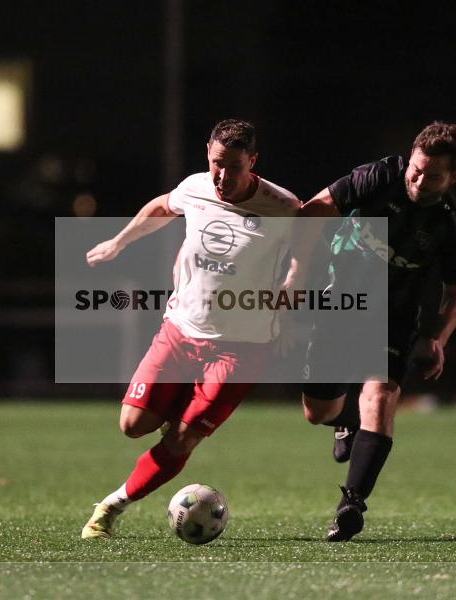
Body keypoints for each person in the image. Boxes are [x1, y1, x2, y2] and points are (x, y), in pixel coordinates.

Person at [80, 119, 299, 539]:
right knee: (131, 424)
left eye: (234, 166)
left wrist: (293, 284)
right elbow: (162, 207)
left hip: (240, 348)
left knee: (180, 441)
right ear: (207, 155)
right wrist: (119, 241)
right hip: (180, 331)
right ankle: (176, 418)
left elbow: (310, 245)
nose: (223, 175)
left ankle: (109, 508)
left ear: (253, 162)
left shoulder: (283, 206)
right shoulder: (195, 187)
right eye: (217, 163)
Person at [298, 122, 456, 541]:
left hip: (395, 316)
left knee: (380, 395)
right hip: (340, 303)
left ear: (453, 177)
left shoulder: (450, 228)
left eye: (432, 175)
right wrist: (296, 266)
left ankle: (351, 504)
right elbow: (315, 207)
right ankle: (344, 421)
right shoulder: (377, 178)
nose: (419, 180)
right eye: (416, 170)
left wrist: (437, 338)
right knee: (316, 411)